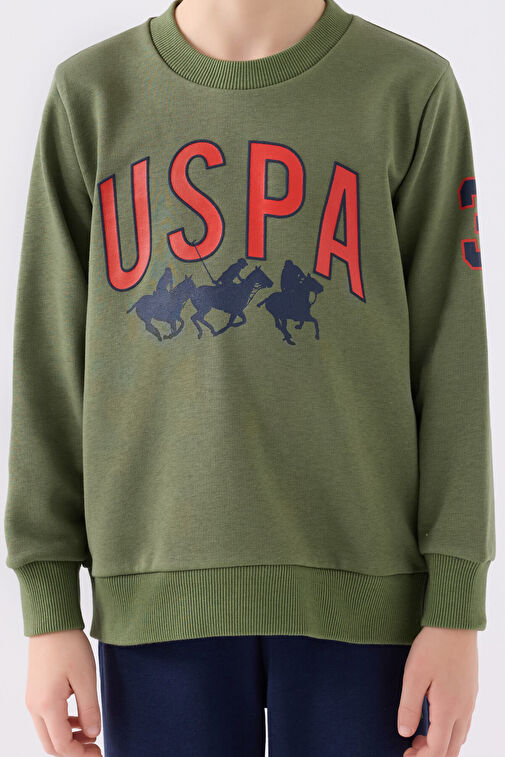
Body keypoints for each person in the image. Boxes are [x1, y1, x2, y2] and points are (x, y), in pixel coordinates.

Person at [4, 1, 495, 756]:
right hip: (155, 601)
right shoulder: (92, 96)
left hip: (367, 605)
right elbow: (48, 363)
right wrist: (48, 607)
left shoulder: (407, 89)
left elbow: (451, 358)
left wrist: (456, 606)